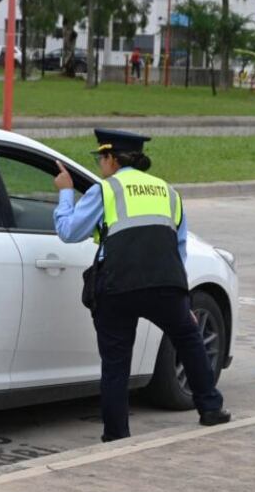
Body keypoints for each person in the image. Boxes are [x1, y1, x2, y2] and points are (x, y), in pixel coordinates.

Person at [53, 129, 230, 442]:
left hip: (118, 285)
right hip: (165, 283)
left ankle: (116, 434)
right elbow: (179, 248)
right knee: (189, 339)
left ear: (111, 158)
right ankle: (211, 408)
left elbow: (69, 231)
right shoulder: (167, 191)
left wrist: (66, 192)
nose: (99, 166)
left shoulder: (107, 190)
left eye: (100, 158)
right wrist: (182, 298)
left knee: (116, 362)